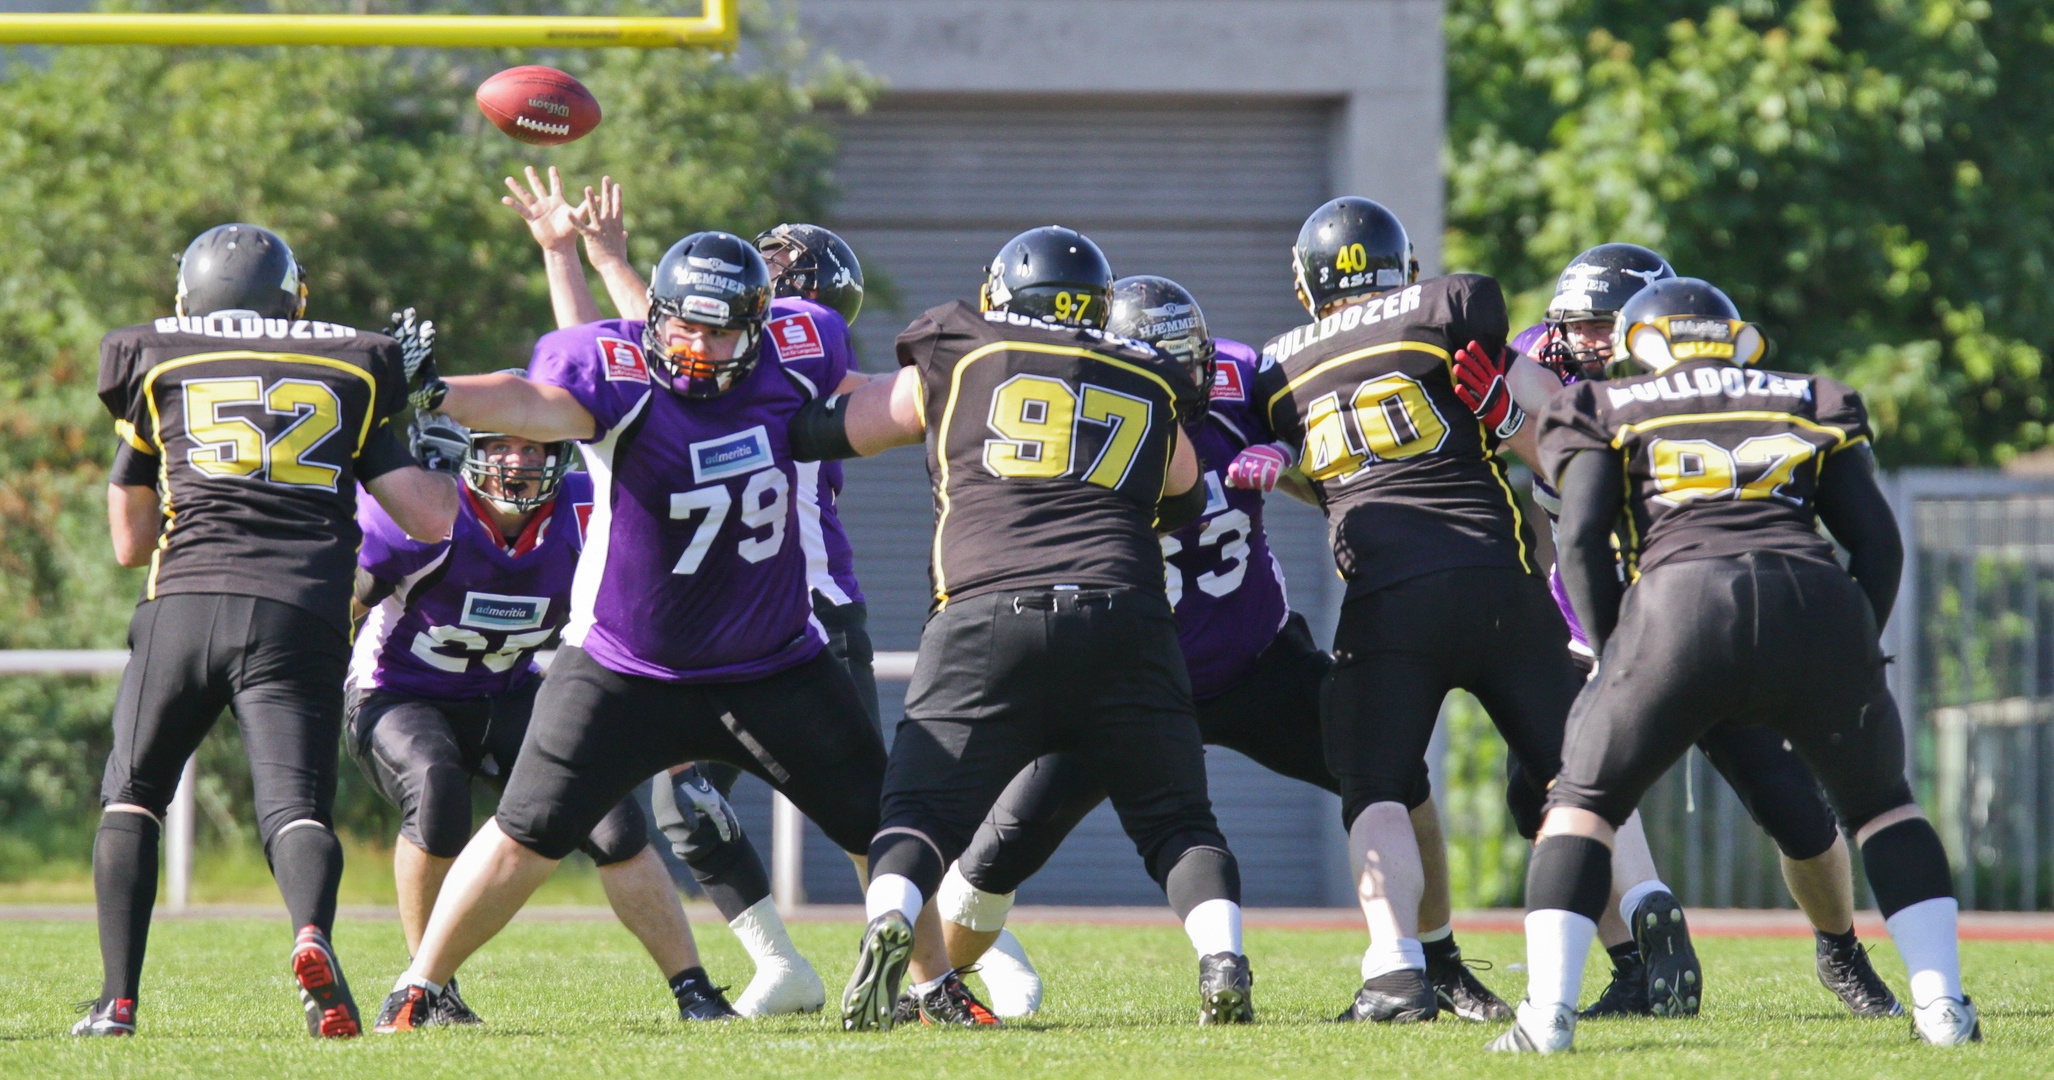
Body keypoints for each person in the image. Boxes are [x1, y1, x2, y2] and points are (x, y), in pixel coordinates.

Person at [931, 275, 1510, 1022]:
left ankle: (1437, 963)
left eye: (1192, 363)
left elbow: (1341, 453)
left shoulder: (1244, 379)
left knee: (1395, 776)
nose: (1188, 383)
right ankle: (931, 984)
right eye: (1165, 371)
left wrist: (1288, 457)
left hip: (1255, 663)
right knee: (993, 858)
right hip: (1127, 680)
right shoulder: (1071, 415)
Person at [372, 231, 888, 1032]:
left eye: (721, 331)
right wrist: (437, 391)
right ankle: (418, 985)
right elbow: (528, 401)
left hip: (773, 660)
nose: (700, 348)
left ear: (759, 324)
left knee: (877, 820)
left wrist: (956, 389)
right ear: (653, 318)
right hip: (627, 666)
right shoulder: (617, 374)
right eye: (684, 327)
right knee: (526, 832)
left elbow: (871, 397)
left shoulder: (796, 354)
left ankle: (935, 985)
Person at [1492, 277, 1977, 1052]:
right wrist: (1855, 646)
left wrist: (1622, 651)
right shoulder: (1810, 396)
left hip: (1677, 611)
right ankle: (1944, 1010)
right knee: (1885, 807)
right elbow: (1879, 543)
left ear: (1639, 342)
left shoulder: (1602, 406)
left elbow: (1580, 543)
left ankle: (1545, 1018)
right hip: (1812, 604)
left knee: (1581, 804)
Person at [791, 227, 1254, 1029]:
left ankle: (891, 922)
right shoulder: (1143, 372)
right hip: (1125, 615)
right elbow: (1183, 494)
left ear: (1004, 291)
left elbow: (844, 427)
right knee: (1178, 819)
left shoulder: (962, 348)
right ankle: (1221, 958)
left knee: (919, 809)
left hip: (987, 608)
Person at [1239, 197, 1672, 1023]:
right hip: (1497, 581)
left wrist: (1288, 467)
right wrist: (1507, 417)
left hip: (1388, 598)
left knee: (1376, 786)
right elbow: (1552, 423)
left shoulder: (1276, 370)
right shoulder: (1446, 307)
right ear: (1396, 265)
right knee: (1573, 780)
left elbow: (1327, 477)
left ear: (1310, 280)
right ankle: (1643, 949)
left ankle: (1398, 972)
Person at [76, 224, 458, 1037]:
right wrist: (435, 451)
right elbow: (428, 518)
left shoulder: (157, 358)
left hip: (185, 601)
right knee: (296, 812)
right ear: (294, 297)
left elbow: (127, 544)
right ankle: (310, 935)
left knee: (134, 796)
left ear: (191, 297)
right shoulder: (354, 366)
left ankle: (117, 1003)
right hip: (301, 609)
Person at [348, 410, 741, 1023]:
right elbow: (339, 601)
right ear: (467, 451)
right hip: (397, 691)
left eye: (535, 448)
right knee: (435, 785)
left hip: (506, 690)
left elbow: (639, 622)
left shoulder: (586, 515)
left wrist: (676, 748)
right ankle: (427, 989)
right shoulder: (425, 515)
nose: (518, 462)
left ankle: (694, 991)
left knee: (612, 818)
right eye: (501, 446)